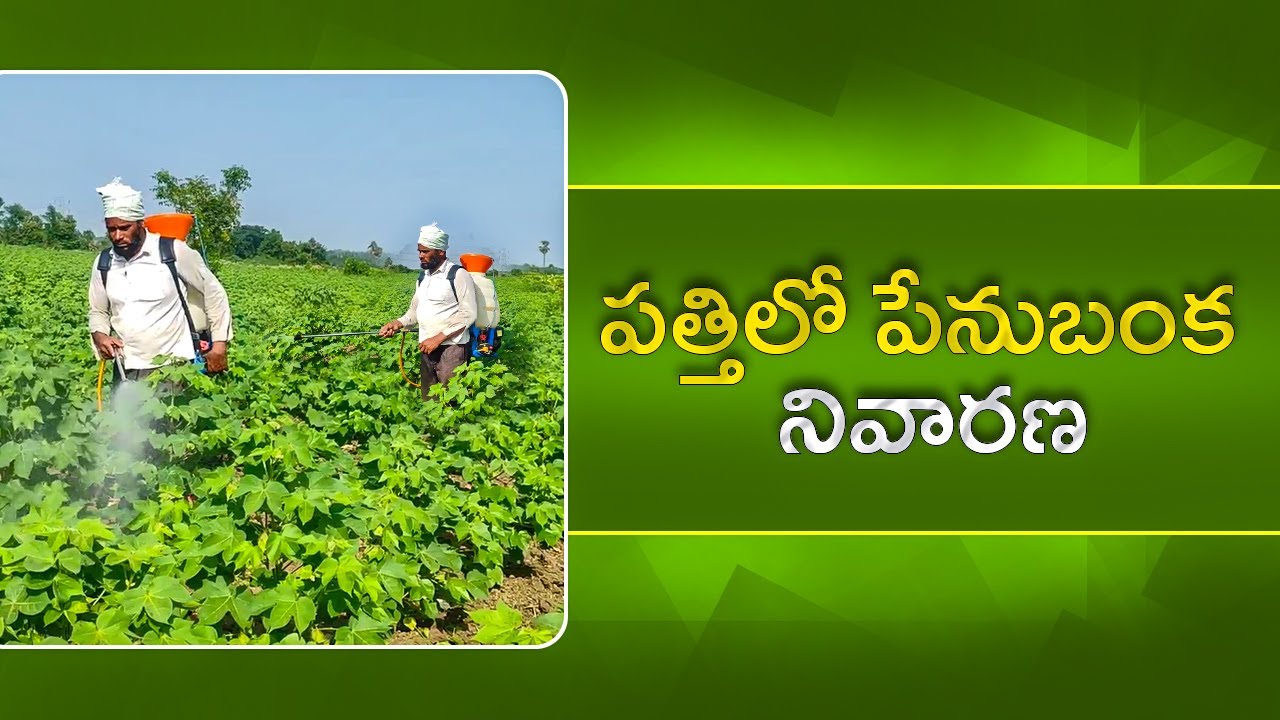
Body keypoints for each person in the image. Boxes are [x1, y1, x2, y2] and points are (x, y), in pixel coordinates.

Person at [87, 178, 234, 383]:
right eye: (112, 229)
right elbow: (98, 310)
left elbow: (214, 293)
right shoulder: (104, 263)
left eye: (125, 227)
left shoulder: (172, 252)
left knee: (169, 406)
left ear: (140, 224)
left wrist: (219, 345)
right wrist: (99, 334)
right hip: (126, 367)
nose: (118, 236)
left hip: (173, 368)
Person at [379, 222, 478, 399]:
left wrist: (438, 338)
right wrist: (397, 323)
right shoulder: (423, 277)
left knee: (451, 401)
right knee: (429, 400)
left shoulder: (458, 275)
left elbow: (468, 314)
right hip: (427, 348)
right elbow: (414, 311)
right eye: (419, 251)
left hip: (452, 349)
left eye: (425, 251)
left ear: (440, 252)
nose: (420, 256)